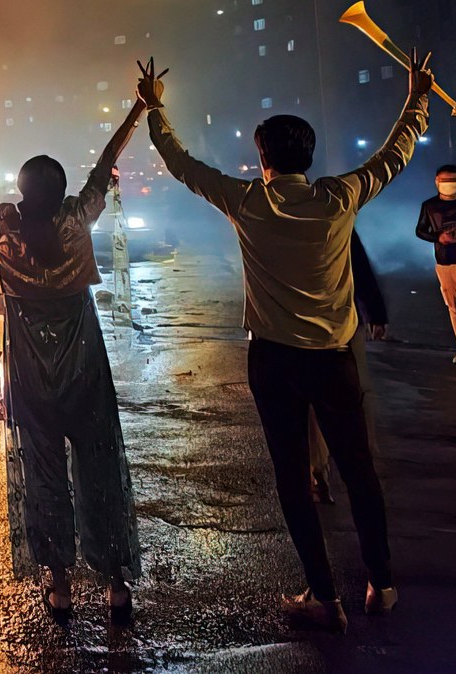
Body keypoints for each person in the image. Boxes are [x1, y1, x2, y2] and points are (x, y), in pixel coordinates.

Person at [140, 51, 432, 632]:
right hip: (334, 359)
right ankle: (382, 584)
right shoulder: (339, 197)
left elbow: (180, 164)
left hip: (274, 361)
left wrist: (155, 110)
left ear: (262, 158)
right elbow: (395, 154)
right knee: (359, 471)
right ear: (311, 155)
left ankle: (324, 597)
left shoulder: (248, 201)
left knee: (294, 477)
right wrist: (417, 97)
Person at [0, 90, 147, 623]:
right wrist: (138, 109)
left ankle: (59, 584)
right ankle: (115, 585)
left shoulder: (5, 228)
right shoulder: (78, 219)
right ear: (60, 191)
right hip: (83, 367)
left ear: (21, 190)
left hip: (32, 376)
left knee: (42, 469)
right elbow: (106, 163)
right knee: (97, 461)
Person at [308, 231, 389, 504]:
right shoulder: (334, 210)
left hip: (297, 328)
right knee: (356, 394)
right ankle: (360, 466)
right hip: (342, 321)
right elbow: (359, 266)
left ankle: (318, 470)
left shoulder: (271, 215)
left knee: (310, 404)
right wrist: (374, 311)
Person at [416, 163, 456, 365]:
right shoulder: (429, 206)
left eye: (453, 181)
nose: (449, 185)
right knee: (455, 309)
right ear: (436, 182)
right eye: (445, 181)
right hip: (445, 265)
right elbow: (420, 230)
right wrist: (438, 237)